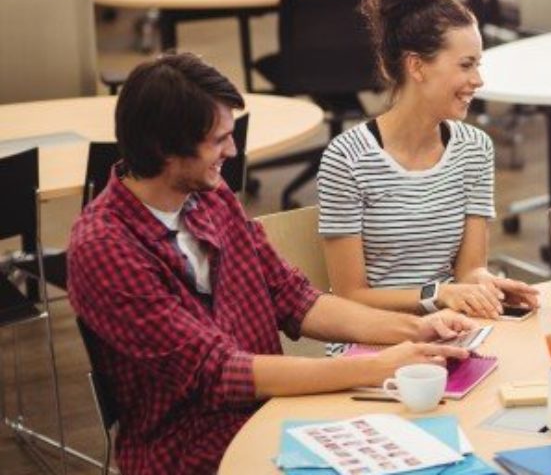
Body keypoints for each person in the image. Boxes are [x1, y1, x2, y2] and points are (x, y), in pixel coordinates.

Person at [68, 53, 475, 475]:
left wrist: (416, 328)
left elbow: (293, 297)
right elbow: (218, 373)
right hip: (191, 451)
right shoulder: (104, 247)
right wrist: (376, 366)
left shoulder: (209, 194)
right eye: (218, 139)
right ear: (162, 149)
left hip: (274, 416)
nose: (233, 149)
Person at [317, 0, 537, 335]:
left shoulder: (474, 149)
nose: (478, 80)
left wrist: (486, 285)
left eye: (478, 64)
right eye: (466, 65)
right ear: (417, 67)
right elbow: (349, 296)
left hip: (451, 331)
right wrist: (437, 295)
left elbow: (470, 270)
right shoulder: (347, 159)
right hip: (374, 340)